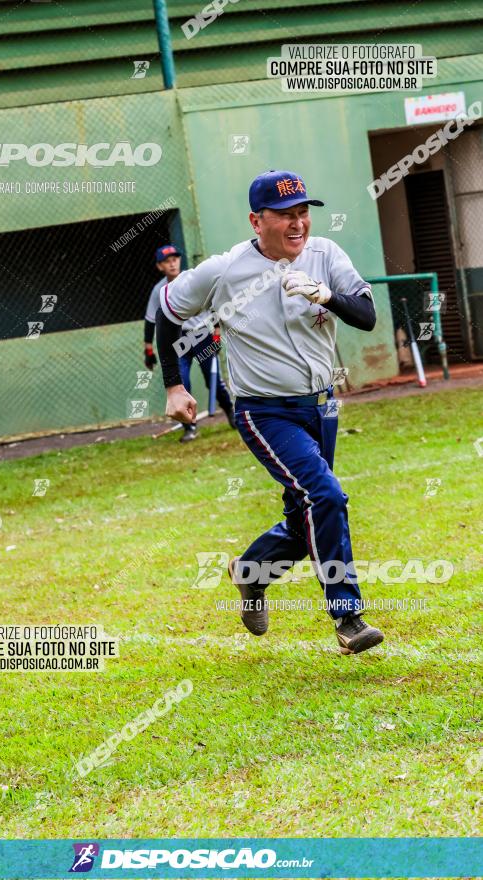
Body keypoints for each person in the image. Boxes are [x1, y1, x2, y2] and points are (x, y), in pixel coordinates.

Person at [155, 171, 385, 655]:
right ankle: (349, 618)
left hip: (322, 406)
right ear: (256, 221)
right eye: (285, 215)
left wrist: (326, 295)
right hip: (265, 411)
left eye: (303, 211)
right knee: (325, 496)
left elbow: (366, 315)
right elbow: (169, 316)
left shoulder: (326, 255)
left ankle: (250, 571)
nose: (298, 222)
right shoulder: (222, 271)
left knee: (308, 518)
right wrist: (175, 386)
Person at [144, 244, 235, 442]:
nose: (172, 263)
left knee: (214, 382)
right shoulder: (159, 290)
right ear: (160, 266)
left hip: (201, 335)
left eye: (175, 259)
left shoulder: (193, 279)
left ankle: (230, 412)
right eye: (167, 261)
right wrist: (148, 349)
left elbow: (215, 307)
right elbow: (151, 320)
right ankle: (190, 427)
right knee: (181, 382)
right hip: (178, 340)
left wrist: (217, 336)